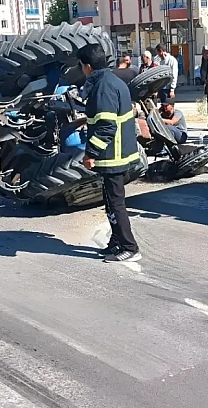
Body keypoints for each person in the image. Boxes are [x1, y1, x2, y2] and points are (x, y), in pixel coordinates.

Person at [78, 43, 142, 263]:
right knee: (110, 202)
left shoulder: (103, 87)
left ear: (87, 66)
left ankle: (129, 247)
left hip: (113, 155)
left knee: (116, 203)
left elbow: (106, 126)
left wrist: (90, 153)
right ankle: (116, 242)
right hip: (115, 153)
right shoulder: (111, 80)